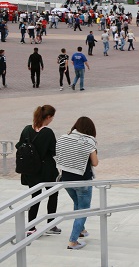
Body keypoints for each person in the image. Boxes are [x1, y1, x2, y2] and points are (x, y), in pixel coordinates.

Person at [17, 105, 60, 236]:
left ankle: (31, 227)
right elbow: (53, 151)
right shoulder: (47, 132)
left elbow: (19, 145)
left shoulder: (26, 129)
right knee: (52, 195)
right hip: (46, 169)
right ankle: (51, 224)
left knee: (35, 197)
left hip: (31, 169)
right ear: (48, 117)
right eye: (52, 117)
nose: (52, 119)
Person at [56, 116, 98, 250]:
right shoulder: (89, 141)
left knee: (77, 204)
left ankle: (81, 230)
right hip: (83, 181)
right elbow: (95, 162)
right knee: (83, 210)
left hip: (66, 180)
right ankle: (73, 241)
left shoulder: (63, 138)